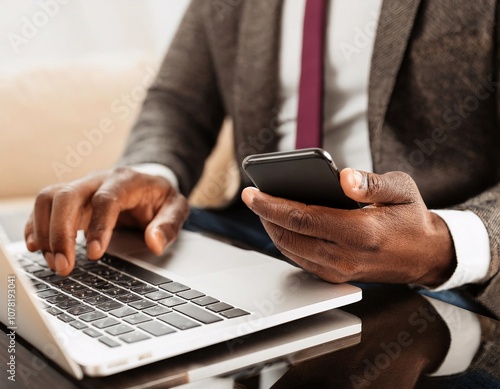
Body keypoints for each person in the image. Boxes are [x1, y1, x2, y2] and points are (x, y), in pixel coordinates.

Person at [24, 0, 499, 318]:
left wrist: (445, 243)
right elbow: (179, 101)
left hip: (437, 273)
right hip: (256, 229)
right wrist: (151, 172)